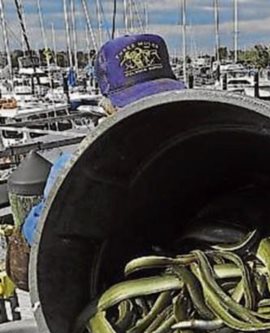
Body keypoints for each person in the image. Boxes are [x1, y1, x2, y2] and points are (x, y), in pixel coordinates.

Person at [21, 32, 185, 246]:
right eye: (139, 105)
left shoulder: (200, 146)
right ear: (108, 108)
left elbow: (36, 232)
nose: (152, 112)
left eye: (160, 100)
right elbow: (43, 234)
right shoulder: (73, 168)